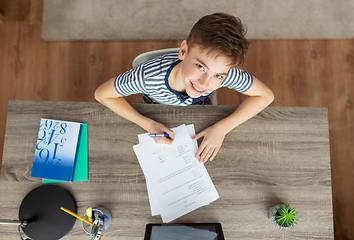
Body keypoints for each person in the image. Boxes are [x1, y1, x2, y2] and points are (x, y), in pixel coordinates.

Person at [94, 13, 274, 163]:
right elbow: (102, 94)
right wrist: (148, 124)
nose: (204, 83)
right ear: (183, 51)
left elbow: (266, 96)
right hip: (156, 111)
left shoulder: (225, 73)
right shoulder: (148, 77)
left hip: (201, 112)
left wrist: (222, 128)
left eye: (218, 76)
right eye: (200, 67)